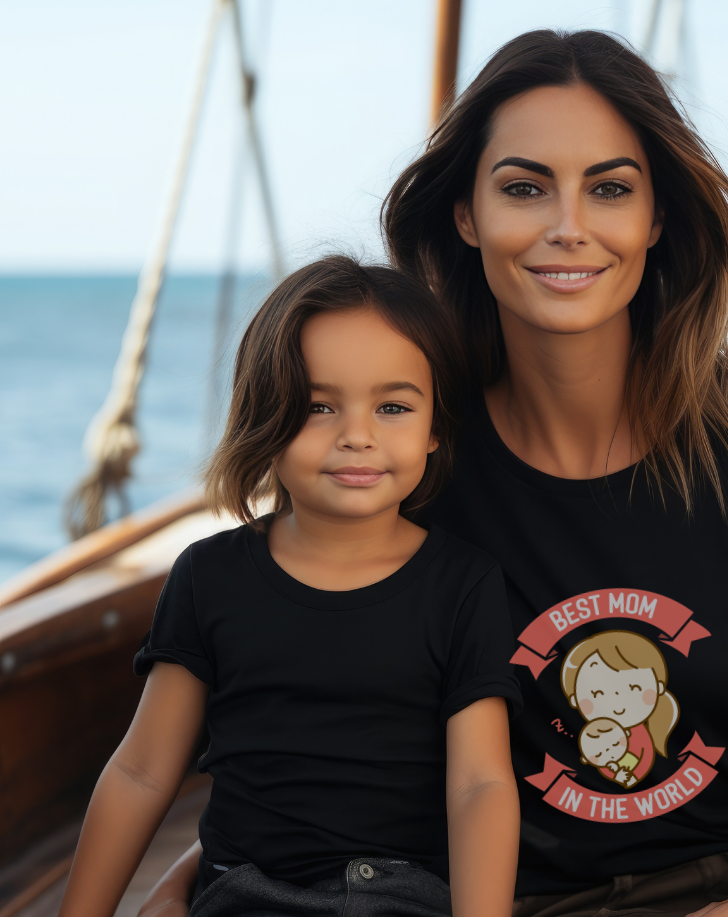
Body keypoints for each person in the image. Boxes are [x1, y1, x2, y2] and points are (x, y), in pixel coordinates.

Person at [141, 31, 728, 917]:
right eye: (524, 188)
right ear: (466, 214)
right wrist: (202, 879)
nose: (569, 225)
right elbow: (304, 735)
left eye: (609, 188)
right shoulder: (409, 468)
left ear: (656, 217)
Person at [59, 257, 522, 917]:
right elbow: (142, 768)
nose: (356, 435)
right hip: (241, 892)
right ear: (265, 418)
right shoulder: (208, 576)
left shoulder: (462, 584)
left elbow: (479, 783)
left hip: (397, 897)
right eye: (317, 406)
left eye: (392, 406)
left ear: (434, 429)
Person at [564, 630, 678, 789]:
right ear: (575, 699)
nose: (618, 703)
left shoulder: (641, 734)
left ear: (658, 688)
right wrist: (617, 774)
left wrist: (631, 777)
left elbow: (645, 759)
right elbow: (601, 761)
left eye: (635, 688)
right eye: (597, 693)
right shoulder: (592, 735)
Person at [577, 718, 640, 788]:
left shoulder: (631, 760)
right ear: (585, 759)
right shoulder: (594, 775)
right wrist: (618, 778)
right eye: (598, 754)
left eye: (615, 744)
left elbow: (637, 784)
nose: (609, 754)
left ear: (626, 734)